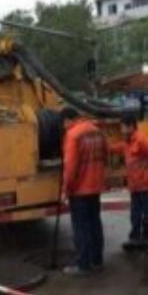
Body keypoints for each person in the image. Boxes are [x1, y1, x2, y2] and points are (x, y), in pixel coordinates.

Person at [61, 107, 108, 276]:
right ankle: (97, 260)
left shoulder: (73, 135)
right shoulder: (97, 131)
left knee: (81, 227)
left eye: (64, 124)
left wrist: (66, 190)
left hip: (80, 189)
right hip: (95, 186)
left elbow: (70, 166)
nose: (64, 128)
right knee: (95, 223)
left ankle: (83, 265)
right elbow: (105, 155)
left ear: (68, 120)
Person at [110, 114, 148, 249]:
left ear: (131, 126)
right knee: (135, 214)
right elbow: (118, 148)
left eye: (122, 128)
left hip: (145, 185)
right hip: (135, 186)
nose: (121, 131)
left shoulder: (141, 140)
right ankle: (135, 237)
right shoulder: (128, 142)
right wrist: (104, 146)